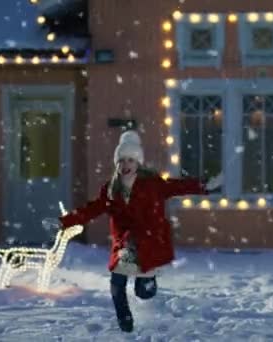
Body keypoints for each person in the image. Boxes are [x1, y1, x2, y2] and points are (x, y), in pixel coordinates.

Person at [59, 130, 222, 332]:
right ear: (116, 163)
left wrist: (203, 185)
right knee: (117, 282)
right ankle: (125, 321)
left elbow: (178, 186)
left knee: (143, 293)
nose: (126, 165)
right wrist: (65, 221)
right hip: (125, 245)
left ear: (138, 163)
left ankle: (149, 281)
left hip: (148, 243)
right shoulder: (111, 189)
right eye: (122, 161)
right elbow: (94, 208)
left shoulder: (153, 184)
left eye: (130, 160)